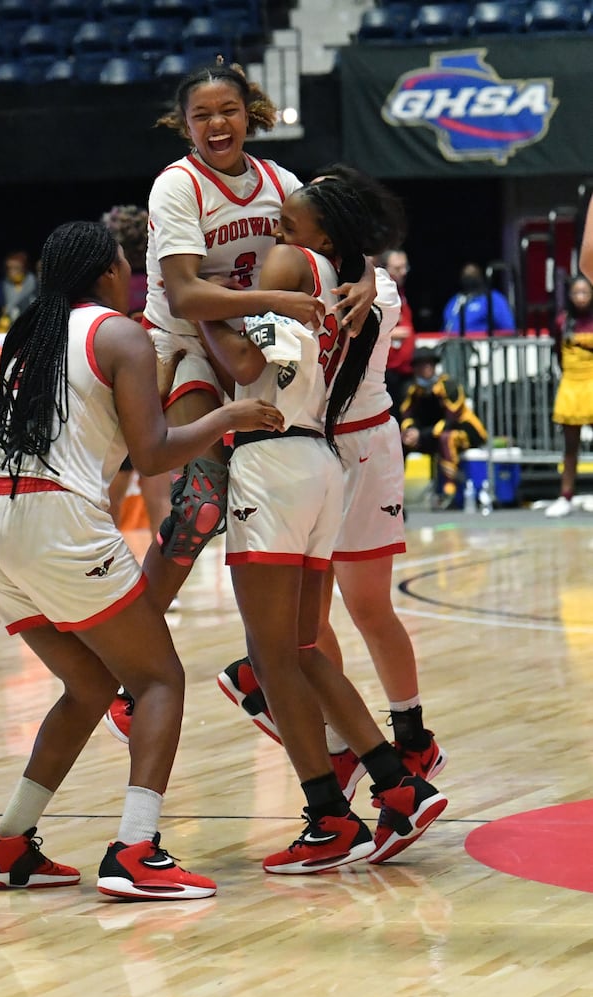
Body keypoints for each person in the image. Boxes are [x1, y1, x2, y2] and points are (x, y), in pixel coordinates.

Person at [0, 220, 283, 899]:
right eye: (122, 265)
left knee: (88, 686)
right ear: (107, 273)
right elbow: (153, 451)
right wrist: (228, 419)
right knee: (158, 679)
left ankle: (5, 843)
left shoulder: (31, 338)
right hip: (53, 519)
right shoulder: (117, 333)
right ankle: (136, 849)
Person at [101, 60, 374, 740]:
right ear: (184, 124)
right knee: (196, 509)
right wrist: (276, 298)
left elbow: (342, 238)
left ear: (248, 112)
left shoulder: (280, 183)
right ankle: (124, 676)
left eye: (227, 110)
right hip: (188, 345)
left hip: (251, 352)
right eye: (202, 115)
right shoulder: (177, 186)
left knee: (285, 556)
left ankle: (296, 694)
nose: (216, 123)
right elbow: (189, 297)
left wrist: (365, 280)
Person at [196, 174, 446, 873]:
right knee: (301, 648)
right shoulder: (335, 277)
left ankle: (336, 806)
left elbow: (249, 362)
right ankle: (394, 784)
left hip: (281, 458)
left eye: (285, 221)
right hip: (316, 459)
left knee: (276, 655)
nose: (273, 230)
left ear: (320, 236)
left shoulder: (293, 268)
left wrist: (202, 314)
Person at [399, 348, 487, 508]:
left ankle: (449, 491)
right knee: (400, 442)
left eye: (428, 364)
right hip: (430, 435)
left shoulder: (448, 385)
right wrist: (410, 432)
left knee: (447, 438)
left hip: (465, 431)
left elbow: (451, 419)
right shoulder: (413, 390)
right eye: (420, 365)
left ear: (434, 366)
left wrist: (422, 434)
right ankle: (395, 492)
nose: (424, 369)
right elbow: (406, 415)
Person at [547, 275, 593, 517]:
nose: (581, 297)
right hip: (571, 385)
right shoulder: (563, 322)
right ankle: (566, 496)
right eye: (577, 292)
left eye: (585, 292)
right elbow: (558, 353)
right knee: (570, 447)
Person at [382, 249, 415, 410]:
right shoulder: (378, 292)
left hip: (404, 370)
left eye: (405, 267)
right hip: (387, 371)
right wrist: (393, 332)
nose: (403, 272)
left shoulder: (400, 293)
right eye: (397, 268)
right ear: (385, 268)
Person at [441, 263, 515, 335]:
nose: (468, 278)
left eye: (472, 275)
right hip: (451, 344)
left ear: (480, 276)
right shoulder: (454, 300)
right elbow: (446, 327)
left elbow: (508, 329)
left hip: (481, 345)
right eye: (465, 275)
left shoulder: (492, 298)